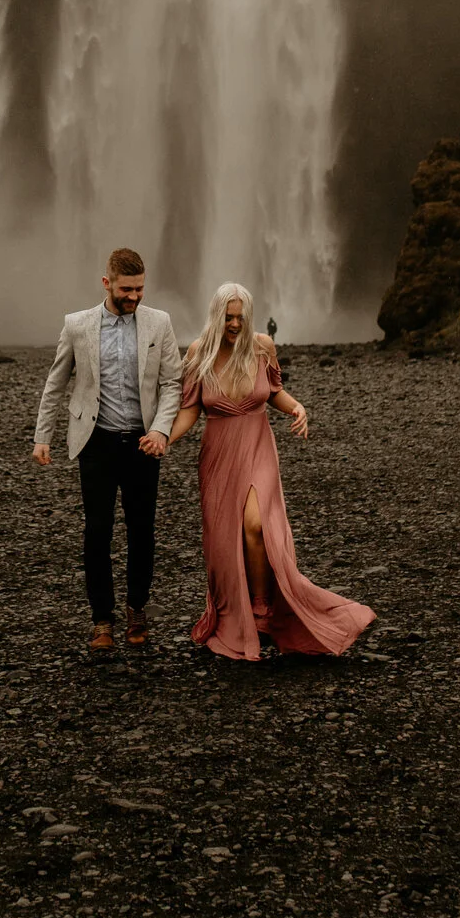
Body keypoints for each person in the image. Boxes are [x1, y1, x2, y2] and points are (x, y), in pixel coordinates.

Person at [168, 282, 373, 661]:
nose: (234, 324)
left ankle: (262, 612)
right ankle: (234, 611)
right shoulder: (199, 352)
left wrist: (297, 408)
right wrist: (164, 438)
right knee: (225, 540)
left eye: (239, 317)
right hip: (219, 455)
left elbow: (274, 391)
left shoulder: (262, 346)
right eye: (227, 317)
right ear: (216, 316)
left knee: (256, 526)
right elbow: (191, 409)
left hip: (259, 445)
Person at [31, 247, 184, 652]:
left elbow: (173, 384)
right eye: (126, 289)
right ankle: (102, 619)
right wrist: (42, 436)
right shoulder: (77, 326)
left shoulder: (160, 323)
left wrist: (162, 431)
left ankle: (136, 608)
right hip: (95, 442)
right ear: (107, 284)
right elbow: (56, 382)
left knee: (142, 531)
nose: (134, 297)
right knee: (97, 532)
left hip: (142, 443)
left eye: (139, 289)